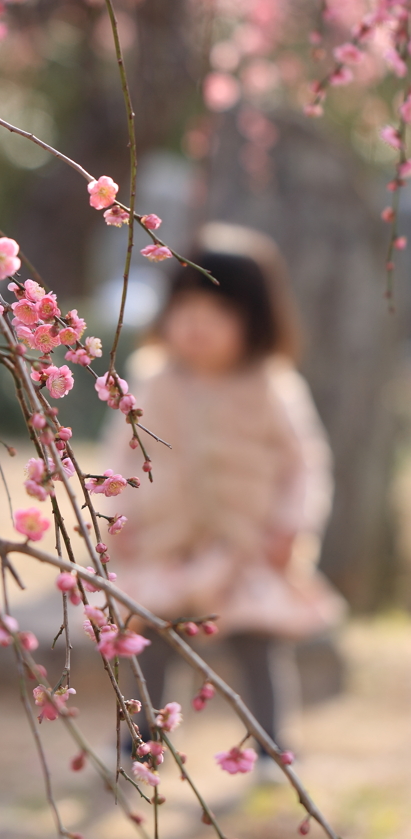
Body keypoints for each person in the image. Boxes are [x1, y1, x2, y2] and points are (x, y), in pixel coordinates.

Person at [105, 223, 345, 762]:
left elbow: (304, 465)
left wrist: (293, 526)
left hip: (246, 546)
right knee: (150, 636)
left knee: (256, 641)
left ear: (255, 323)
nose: (197, 328)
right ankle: (142, 731)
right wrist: (117, 518)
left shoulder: (270, 387)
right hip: (164, 543)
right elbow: (119, 456)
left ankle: (270, 737)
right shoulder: (155, 380)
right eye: (186, 312)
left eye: (217, 316)